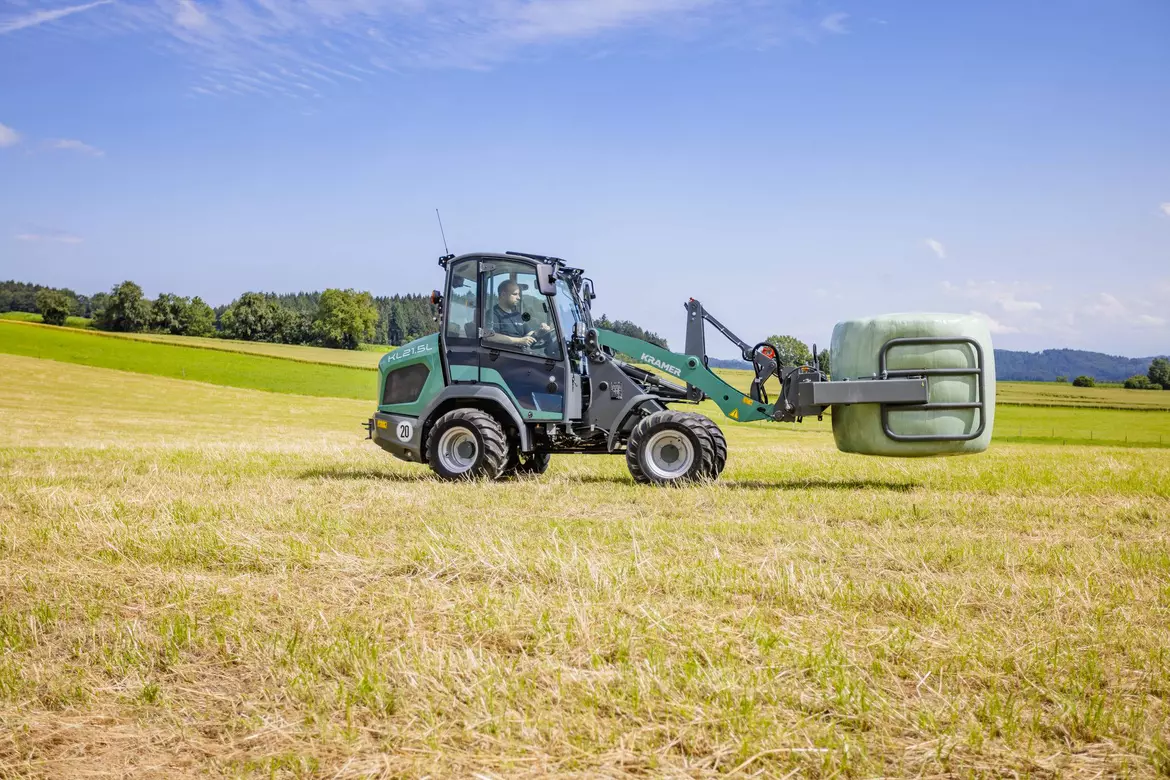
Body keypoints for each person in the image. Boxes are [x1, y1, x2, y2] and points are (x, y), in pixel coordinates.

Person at [485, 279, 552, 349]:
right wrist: (519, 341)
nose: (518, 298)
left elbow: (528, 333)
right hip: (504, 356)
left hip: (520, 353)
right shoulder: (493, 313)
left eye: (519, 294)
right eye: (515, 294)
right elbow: (490, 336)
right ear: (503, 295)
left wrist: (540, 331)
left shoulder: (517, 315)